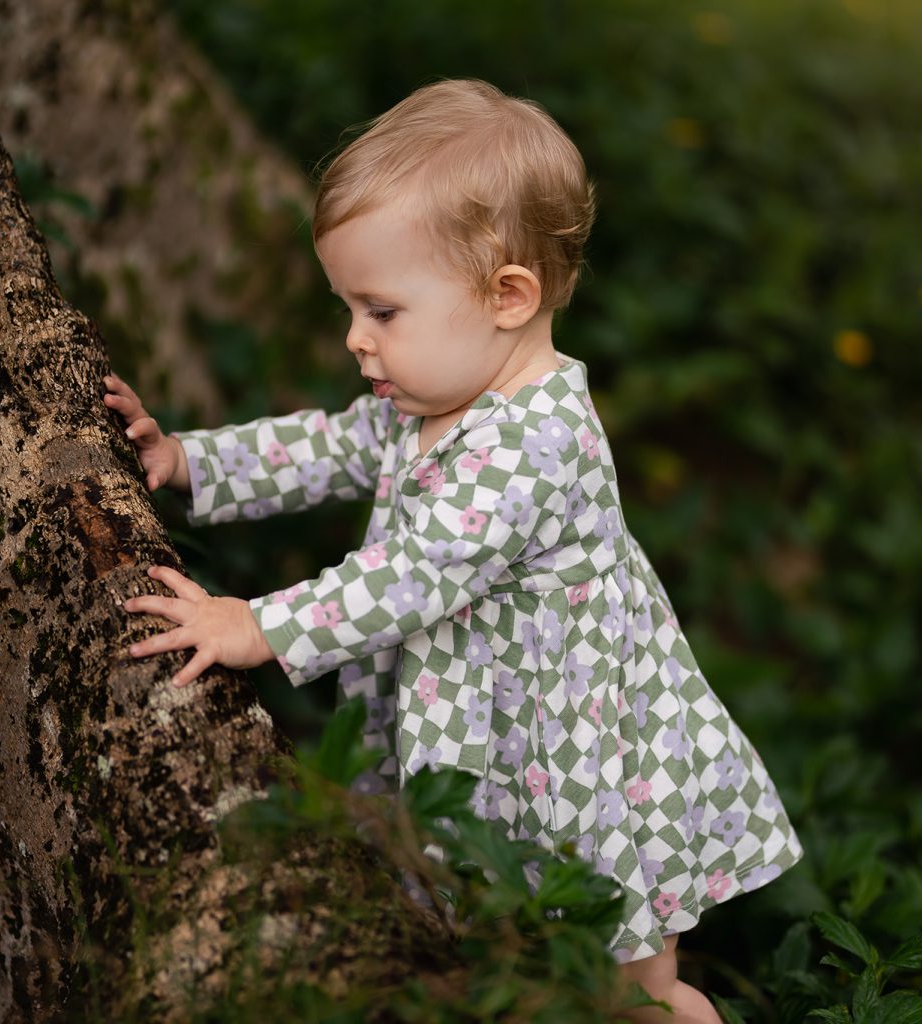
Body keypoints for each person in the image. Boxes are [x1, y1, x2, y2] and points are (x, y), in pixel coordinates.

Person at [105, 78, 802, 1022]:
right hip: (499, 738)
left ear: (506, 295)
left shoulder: (534, 441)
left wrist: (258, 626)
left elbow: (414, 576)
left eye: (381, 311)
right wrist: (189, 460)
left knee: (625, 991)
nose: (355, 339)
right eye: (350, 308)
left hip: (588, 763)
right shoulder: (434, 399)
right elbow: (327, 445)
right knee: (509, 970)